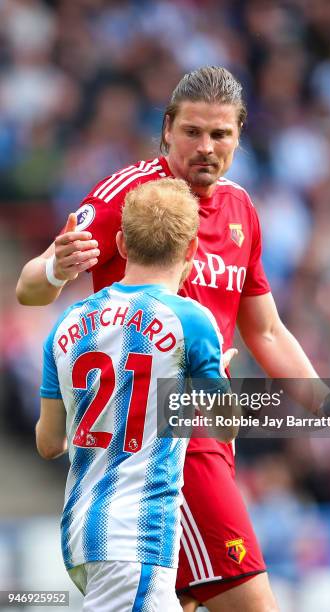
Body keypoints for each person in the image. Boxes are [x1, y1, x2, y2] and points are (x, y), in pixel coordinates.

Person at [19, 66, 330, 612]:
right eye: (192, 132)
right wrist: (54, 271)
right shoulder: (133, 197)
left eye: (220, 135)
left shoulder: (241, 210)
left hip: (209, 442)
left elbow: (266, 330)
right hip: (169, 449)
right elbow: (30, 287)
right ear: (167, 128)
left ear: (239, 136)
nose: (205, 147)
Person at [36, 178, 238, 611]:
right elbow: (227, 427)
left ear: (122, 244)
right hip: (137, 535)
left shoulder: (66, 323)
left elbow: (49, 443)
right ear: (192, 251)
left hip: (82, 534)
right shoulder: (192, 321)